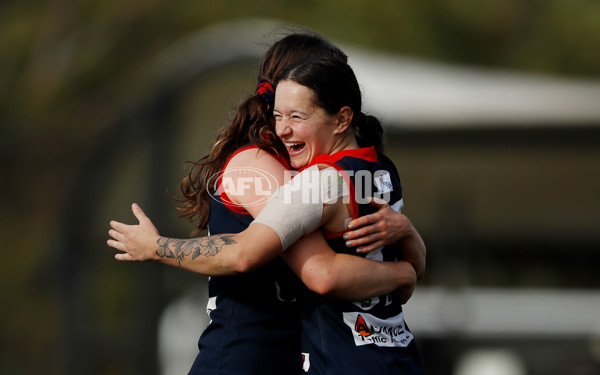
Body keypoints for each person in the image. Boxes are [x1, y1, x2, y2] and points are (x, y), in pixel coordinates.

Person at [108, 32, 425, 375]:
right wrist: (403, 271)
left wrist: (405, 236)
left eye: (296, 117)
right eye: (281, 115)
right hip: (243, 360)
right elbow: (311, 269)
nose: (286, 128)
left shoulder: (325, 172)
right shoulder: (265, 164)